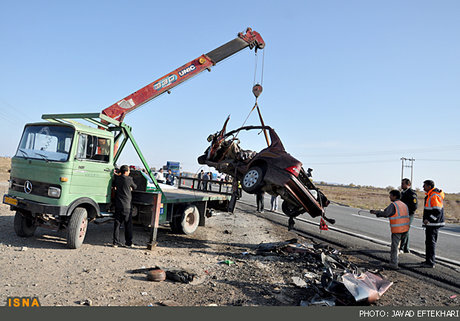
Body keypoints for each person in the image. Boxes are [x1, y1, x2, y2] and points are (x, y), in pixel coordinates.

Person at [370, 190, 410, 269]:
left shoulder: (394, 205)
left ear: (394, 196)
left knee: (394, 247)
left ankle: (394, 264)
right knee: (398, 246)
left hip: (397, 229)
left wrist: (376, 213)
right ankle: (395, 261)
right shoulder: (404, 204)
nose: (389, 197)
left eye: (390, 195)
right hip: (405, 229)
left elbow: (386, 213)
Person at [421, 180, 445, 268]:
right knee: (429, 243)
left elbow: (437, 211)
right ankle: (428, 261)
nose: (423, 187)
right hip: (431, 224)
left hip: (433, 224)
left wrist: (429, 219)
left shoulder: (434, 196)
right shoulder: (430, 195)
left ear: (429, 186)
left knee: (431, 243)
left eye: (424, 186)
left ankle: (430, 262)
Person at [112, 165, 137, 247]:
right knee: (128, 225)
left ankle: (115, 243)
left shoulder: (117, 179)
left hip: (118, 204)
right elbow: (135, 186)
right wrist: (130, 188)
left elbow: (114, 185)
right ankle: (128, 242)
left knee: (117, 225)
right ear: (126, 172)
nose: (129, 172)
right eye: (129, 171)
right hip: (127, 205)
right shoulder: (129, 179)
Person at [399, 178, 418, 254]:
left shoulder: (411, 193)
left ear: (408, 185)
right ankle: (406, 248)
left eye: (403, 184)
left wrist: (407, 212)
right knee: (405, 230)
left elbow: (414, 206)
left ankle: (402, 248)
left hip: (408, 214)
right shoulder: (403, 192)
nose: (401, 185)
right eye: (401, 183)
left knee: (405, 230)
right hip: (403, 214)